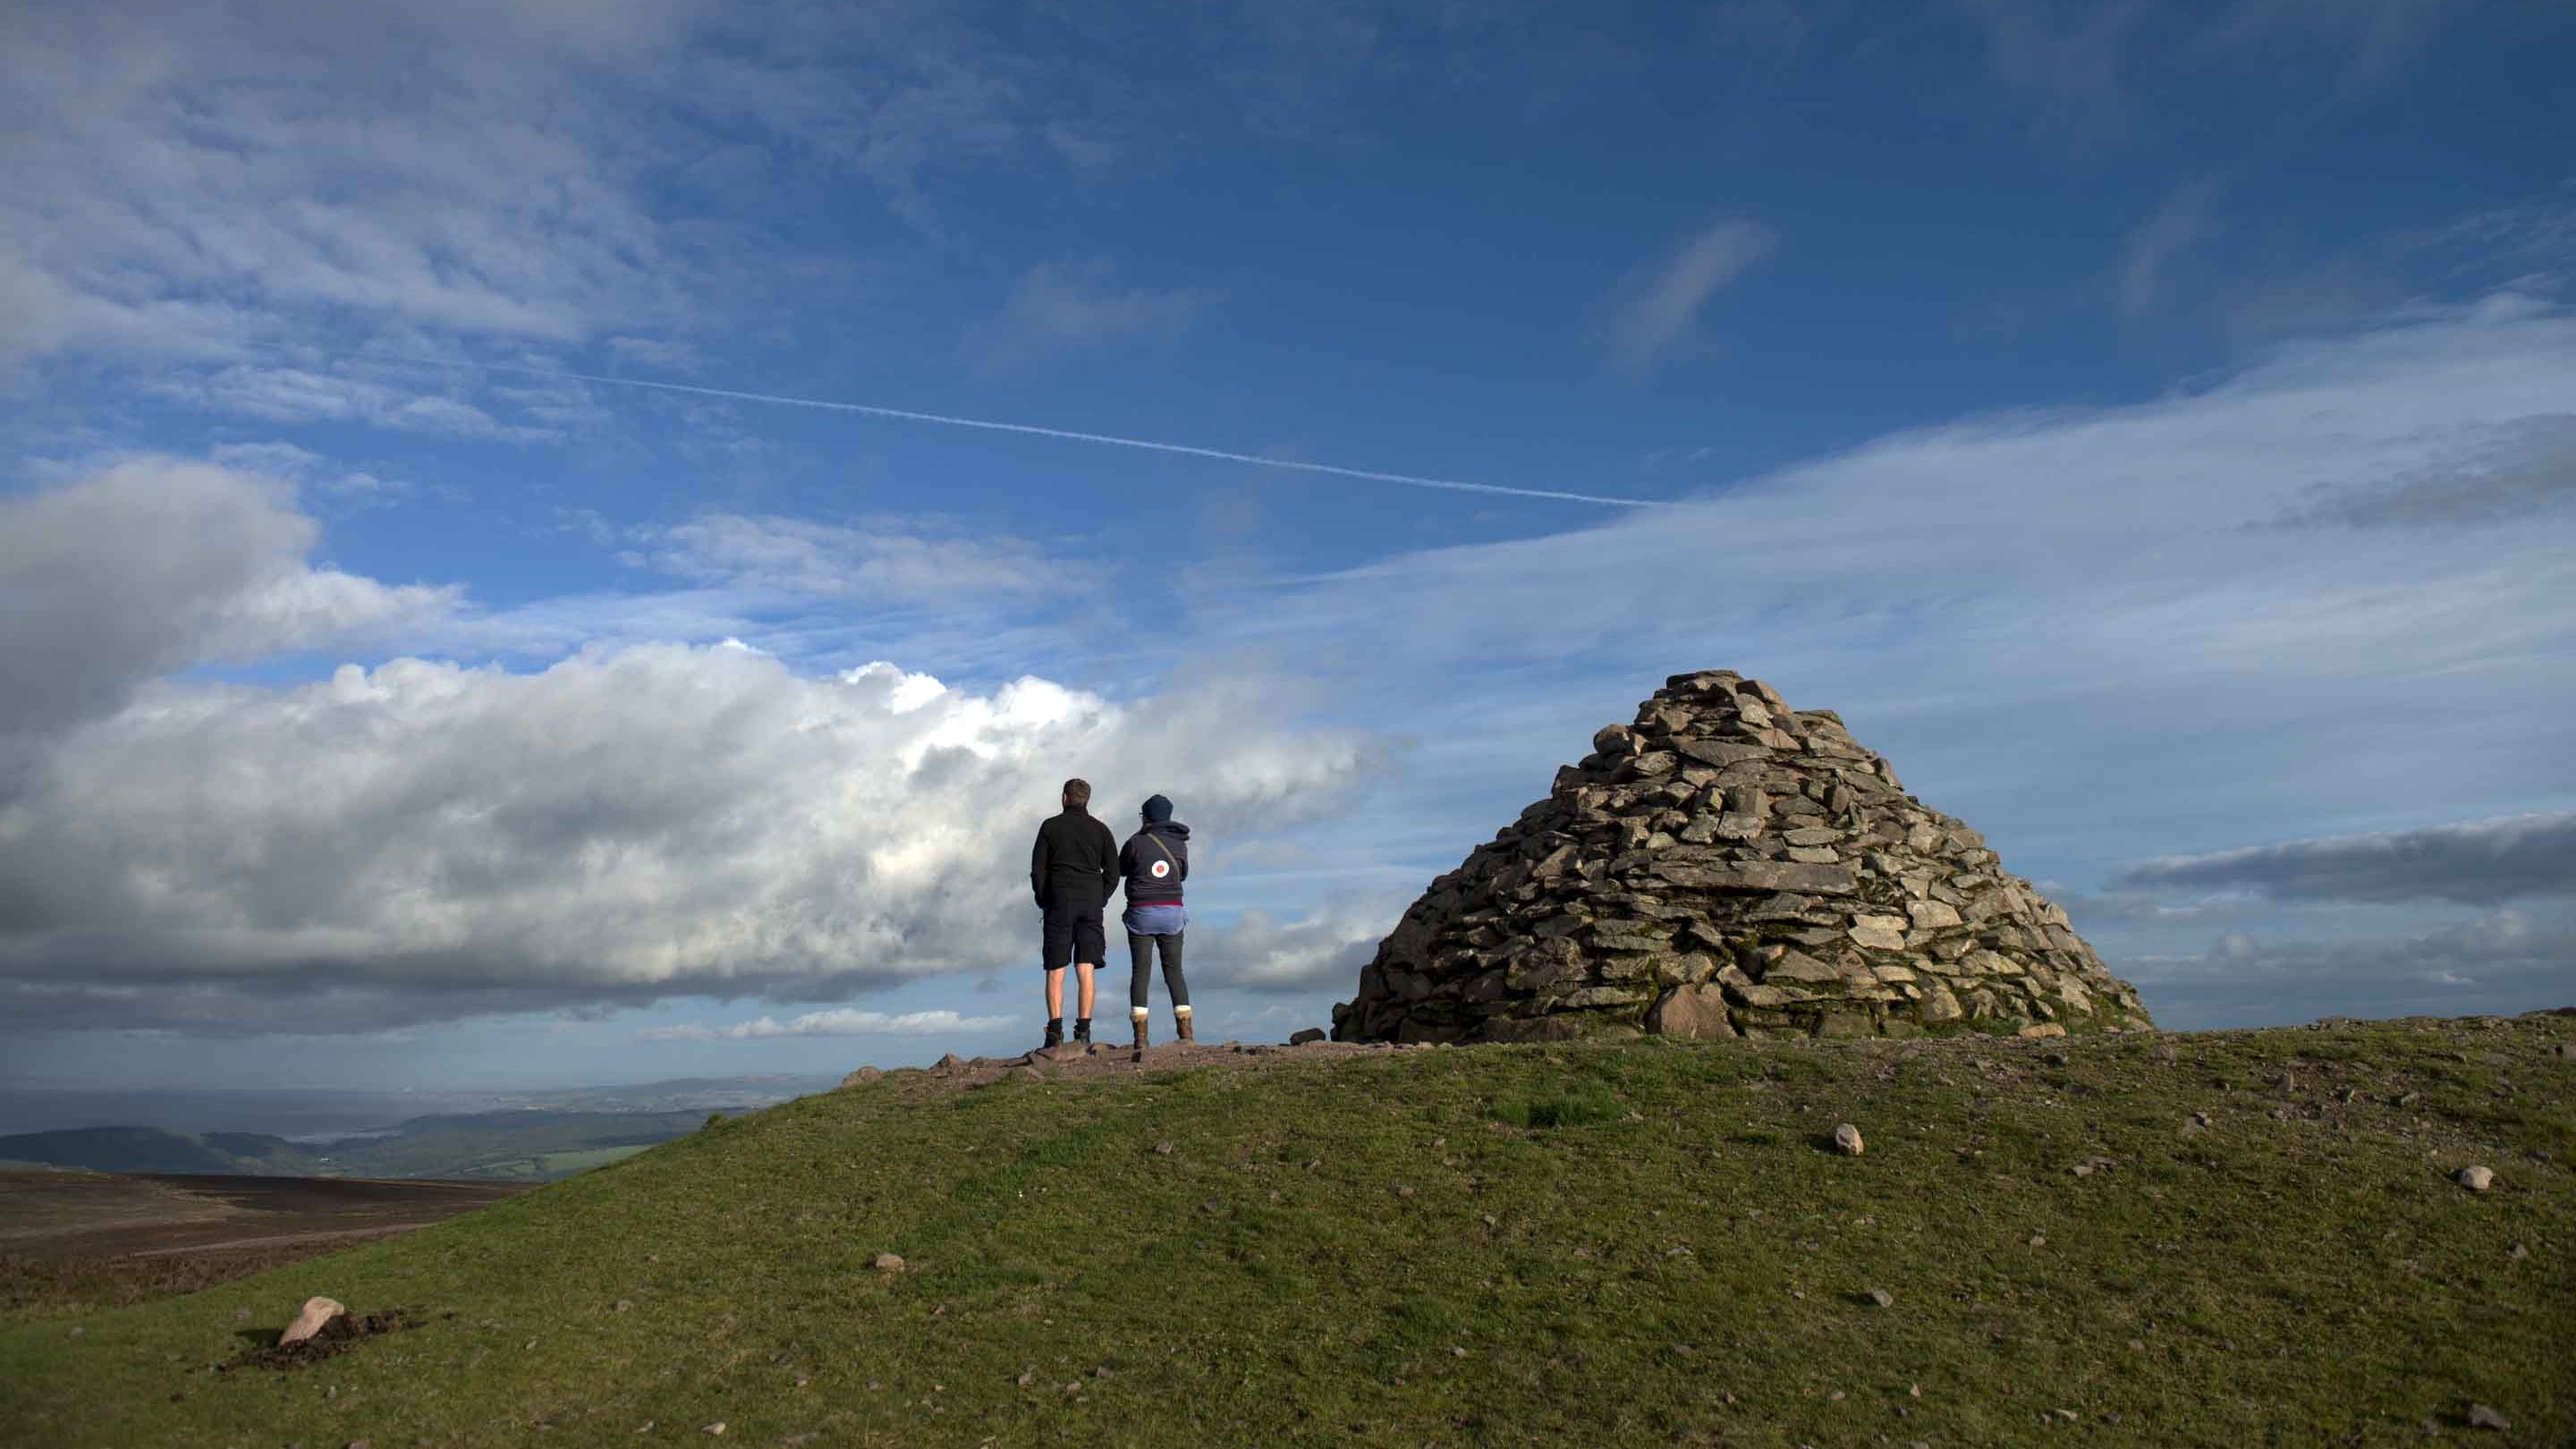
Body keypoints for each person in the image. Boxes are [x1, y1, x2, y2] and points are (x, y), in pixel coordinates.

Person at [1030, 777, 1118, 1049]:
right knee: (1086, 966)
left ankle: (1054, 1033)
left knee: (1056, 968)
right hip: (1090, 901)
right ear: (1086, 800)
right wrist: (1099, 898)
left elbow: (1038, 870)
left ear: (1064, 798)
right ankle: (1084, 1032)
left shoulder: (1049, 827)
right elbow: (1113, 874)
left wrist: (1044, 898)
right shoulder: (1101, 830)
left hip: (1059, 900)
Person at [1117, 793, 1193, 1048]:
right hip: (1172, 913)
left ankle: (1140, 1038)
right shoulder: (1180, 844)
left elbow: (1121, 869)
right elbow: (1182, 874)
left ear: (1146, 816)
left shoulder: (1135, 842)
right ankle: (1186, 1034)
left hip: (1141, 914)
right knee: (1174, 971)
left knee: (1141, 972)